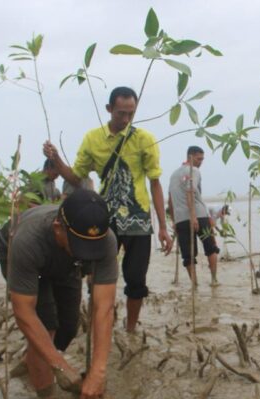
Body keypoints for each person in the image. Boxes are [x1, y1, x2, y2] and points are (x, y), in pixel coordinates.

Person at [43, 86, 173, 333]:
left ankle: (131, 329)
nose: (125, 120)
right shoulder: (93, 139)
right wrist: (57, 159)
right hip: (104, 220)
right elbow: (75, 176)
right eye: (120, 113)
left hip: (138, 221)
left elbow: (155, 182)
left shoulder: (145, 139)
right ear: (109, 109)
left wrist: (164, 227)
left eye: (130, 114)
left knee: (136, 280)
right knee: (97, 277)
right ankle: (100, 324)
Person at [0, 189, 118, 399]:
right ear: (58, 229)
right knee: (46, 325)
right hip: (23, 252)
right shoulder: (27, 241)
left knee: (68, 327)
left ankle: (34, 359)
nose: (87, 253)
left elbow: (103, 308)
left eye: (92, 248)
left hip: (66, 262)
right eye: (82, 247)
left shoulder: (105, 240)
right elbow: (24, 312)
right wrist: (61, 366)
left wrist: (98, 370)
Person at [168, 146, 220, 285]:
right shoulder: (194, 171)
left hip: (181, 220)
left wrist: (174, 220)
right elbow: (190, 190)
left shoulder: (173, 175)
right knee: (211, 247)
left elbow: (170, 200)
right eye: (199, 159)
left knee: (188, 255)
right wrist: (193, 217)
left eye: (202, 159)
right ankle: (214, 280)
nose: (201, 162)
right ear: (190, 157)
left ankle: (194, 285)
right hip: (198, 216)